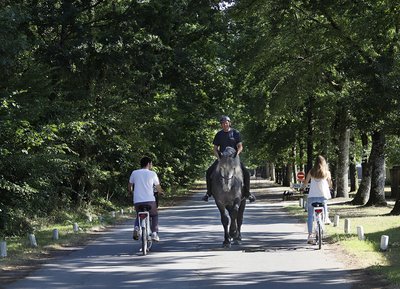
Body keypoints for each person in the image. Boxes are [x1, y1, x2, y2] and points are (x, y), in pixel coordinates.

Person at [202, 115, 256, 202]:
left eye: (226, 123)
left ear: (229, 123)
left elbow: (240, 146)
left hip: (233, 159)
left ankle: (247, 193)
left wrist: (236, 154)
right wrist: (218, 157)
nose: (224, 125)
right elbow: (215, 148)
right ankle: (208, 193)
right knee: (209, 172)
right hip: (222, 158)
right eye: (223, 124)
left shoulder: (236, 133)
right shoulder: (218, 134)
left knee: (246, 173)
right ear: (221, 125)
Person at [128, 156, 164, 242]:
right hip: (150, 201)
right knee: (154, 215)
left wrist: (130, 192)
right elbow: (158, 188)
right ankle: (154, 233)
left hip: (137, 201)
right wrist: (161, 192)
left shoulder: (134, 173)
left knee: (138, 214)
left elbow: (130, 186)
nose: (151, 165)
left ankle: (136, 228)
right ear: (148, 164)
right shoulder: (152, 174)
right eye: (151, 164)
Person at [303, 155, 332, 244]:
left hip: (312, 197)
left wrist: (304, 188)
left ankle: (310, 235)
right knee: (324, 204)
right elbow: (330, 184)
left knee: (310, 216)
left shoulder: (311, 172)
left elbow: (305, 183)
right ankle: (326, 218)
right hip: (322, 197)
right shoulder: (327, 173)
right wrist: (330, 187)